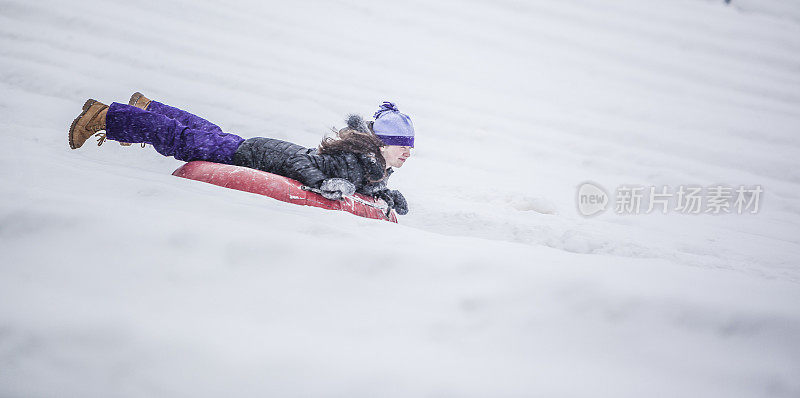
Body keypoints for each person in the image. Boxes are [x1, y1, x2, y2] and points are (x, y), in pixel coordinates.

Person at [68, 93, 413, 215]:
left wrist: (386, 195)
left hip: (256, 150)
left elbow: (360, 184)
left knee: (203, 135)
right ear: (381, 144)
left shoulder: (369, 166)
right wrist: (321, 182)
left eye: (410, 147)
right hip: (250, 156)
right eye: (402, 146)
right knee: (181, 141)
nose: (407, 154)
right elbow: (302, 163)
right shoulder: (355, 162)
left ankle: (147, 107)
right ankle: (106, 117)